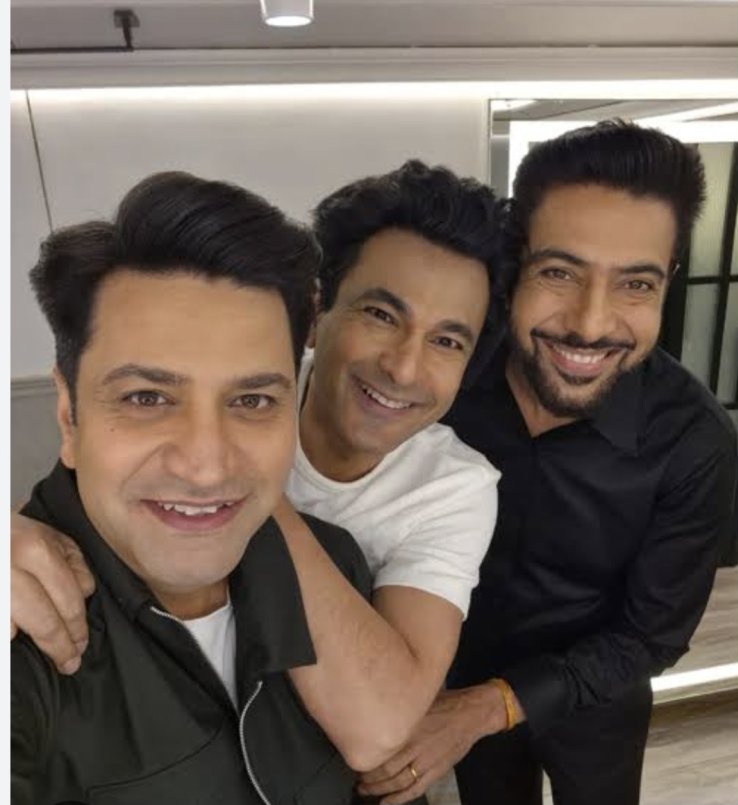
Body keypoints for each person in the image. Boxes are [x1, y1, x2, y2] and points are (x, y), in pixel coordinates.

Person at [11, 161, 508, 792]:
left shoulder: (357, 550)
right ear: (319, 316)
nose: (206, 464)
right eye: (146, 398)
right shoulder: (33, 634)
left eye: (251, 401)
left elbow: (379, 727)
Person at [356, 121, 738, 805]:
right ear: (515, 267)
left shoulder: (694, 439)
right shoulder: (441, 380)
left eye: (635, 284)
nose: (590, 324)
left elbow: (652, 636)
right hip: (453, 678)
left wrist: (487, 706)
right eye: (560, 272)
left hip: (595, 704)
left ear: (668, 283)